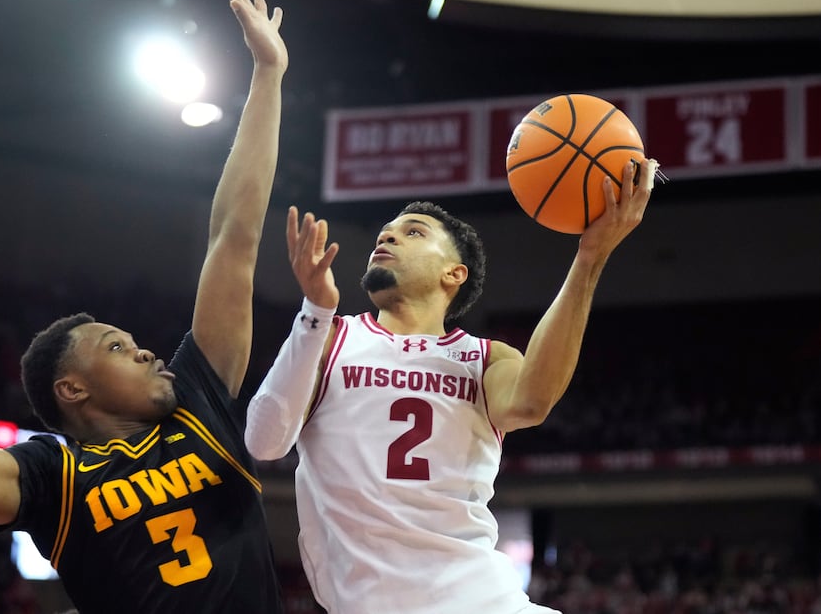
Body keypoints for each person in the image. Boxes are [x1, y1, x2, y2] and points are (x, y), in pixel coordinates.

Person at [0, 0, 288, 614]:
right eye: (118, 346)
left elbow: (234, 238)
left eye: (134, 344)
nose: (146, 353)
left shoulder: (198, 402)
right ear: (72, 388)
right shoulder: (54, 476)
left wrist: (268, 77)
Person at [245, 158, 659, 613]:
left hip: (483, 600)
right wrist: (316, 311)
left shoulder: (486, 358)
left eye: (414, 232)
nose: (387, 236)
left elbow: (530, 403)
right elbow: (264, 442)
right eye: (385, 232)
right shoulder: (330, 337)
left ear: (453, 273)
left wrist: (590, 256)